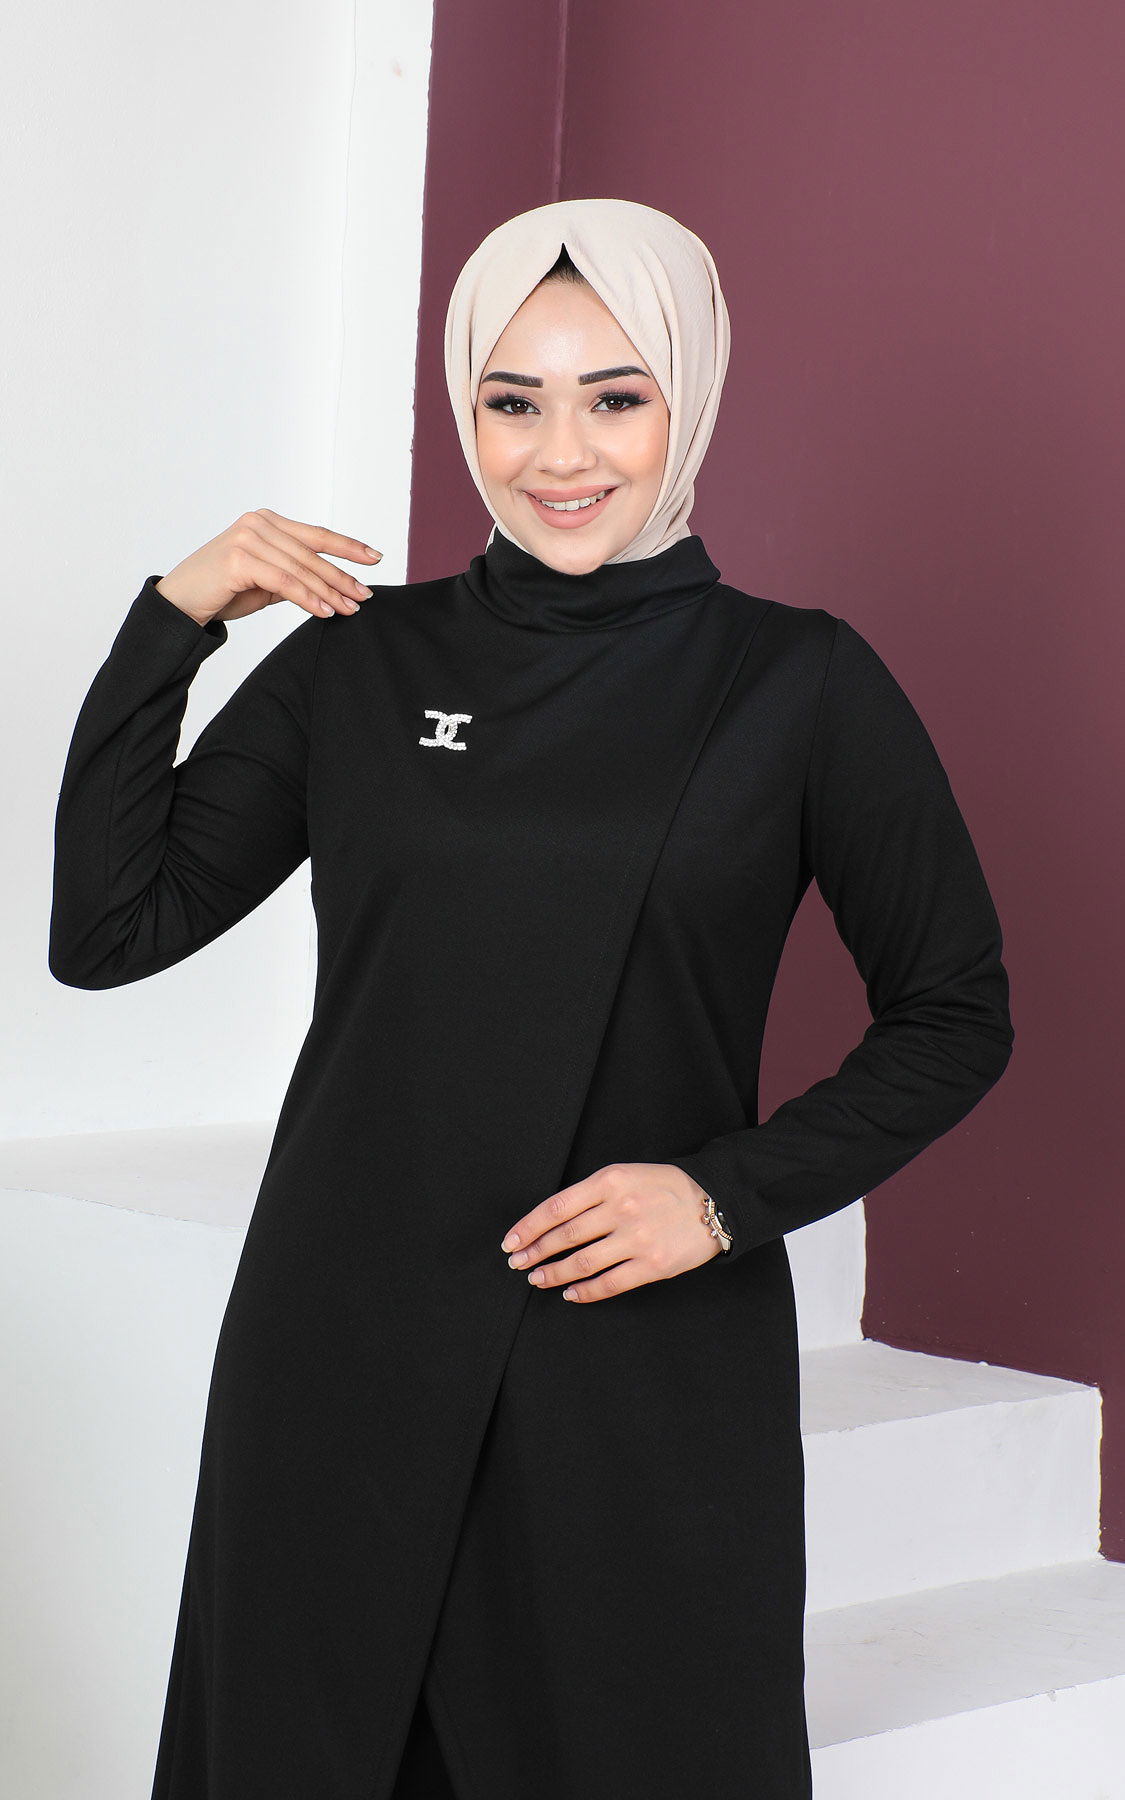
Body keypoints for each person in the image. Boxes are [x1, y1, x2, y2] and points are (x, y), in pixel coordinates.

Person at [49, 197, 1013, 1800]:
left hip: (630, 1346)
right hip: (342, 1338)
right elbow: (108, 928)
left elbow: (953, 1011)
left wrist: (722, 1194)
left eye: (613, 397)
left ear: (688, 395)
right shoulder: (359, 660)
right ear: (466, 411)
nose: (560, 453)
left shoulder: (797, 682)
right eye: (513, 401)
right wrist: (176, 620)